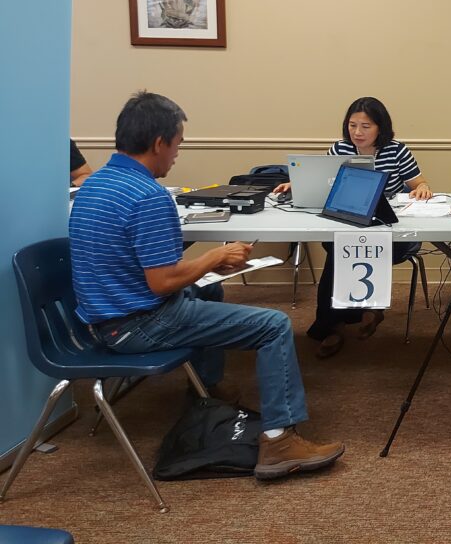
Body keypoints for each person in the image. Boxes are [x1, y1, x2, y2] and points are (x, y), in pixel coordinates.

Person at [69, 91, 344, 480]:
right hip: (136, 323)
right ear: (159, 143)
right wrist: (214, 257)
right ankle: (280, 439)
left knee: (210, 290)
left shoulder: (95, 185)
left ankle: (207, 391)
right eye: (177, 144)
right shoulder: (147, 197)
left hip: (101, 317)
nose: (177, 154)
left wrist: (203, 270)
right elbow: (162, 281)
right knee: (275, 325)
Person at [274, 96, 431, 358]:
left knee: (341, 252)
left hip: (387, 229)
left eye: (366, 126)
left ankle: (331, 326)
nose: (357, 133)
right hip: (350, 219)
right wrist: (297, 184)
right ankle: (362, 312)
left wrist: (423, 187)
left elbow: (418, 182)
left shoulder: (396, 150)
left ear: (381, 127)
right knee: (344, 247)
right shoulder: (340, 149)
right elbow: (322, 181)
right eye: (352, 125)